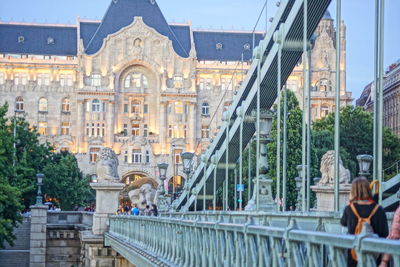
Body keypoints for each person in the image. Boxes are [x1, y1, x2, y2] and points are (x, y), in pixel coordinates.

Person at [341, 177, 388, 267]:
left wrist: (350, 202)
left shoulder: (350, 208)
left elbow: (343, 222)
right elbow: (385, 233)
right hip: (374, 253)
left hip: (354, 252)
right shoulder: (378, 209)